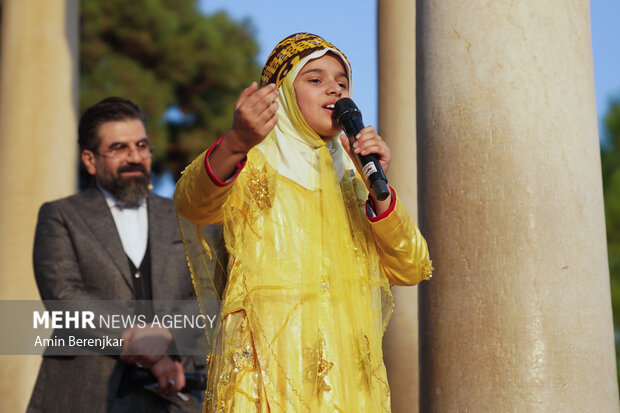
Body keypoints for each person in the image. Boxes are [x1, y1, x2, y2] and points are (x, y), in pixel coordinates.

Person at [174, 33, 432, 412]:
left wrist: (378, 189)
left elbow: (412, 266)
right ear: (280, 95)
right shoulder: (250, 162)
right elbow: (192, 204)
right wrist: (234, 143)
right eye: (315, 79)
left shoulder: (354, 180)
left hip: (346, 383)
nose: (334, 89)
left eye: (342, 82)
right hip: (264, 378)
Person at [28, 97, 204, 413]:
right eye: (119, 148)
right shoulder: (60, 216)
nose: (134, 157)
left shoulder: (184, 217)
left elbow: (205, 295)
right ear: (90, 160)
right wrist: (147, 350)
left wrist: (166, 334)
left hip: (174, 393)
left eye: (141, 146)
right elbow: (64, 298)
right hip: (82, 392)